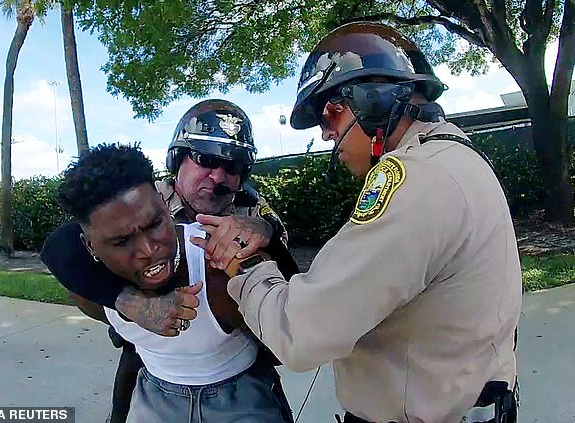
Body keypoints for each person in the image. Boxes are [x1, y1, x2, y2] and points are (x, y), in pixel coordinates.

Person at [195, 22, 522, 423]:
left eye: (330, 116)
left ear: (371, 101)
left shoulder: (416, 182)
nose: (328, 134)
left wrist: (244, 265)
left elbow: (300, 331)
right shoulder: (456, 156)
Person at [41, 100, 296, 422]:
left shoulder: (252, 211)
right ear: (178, 160)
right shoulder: (139, 194)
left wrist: (264, 231)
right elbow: (62, 245)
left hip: (233, 364)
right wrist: (127, 301)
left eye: (232, 166)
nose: (218, 177)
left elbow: (285, 291)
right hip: (152, 360)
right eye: (205, 159)